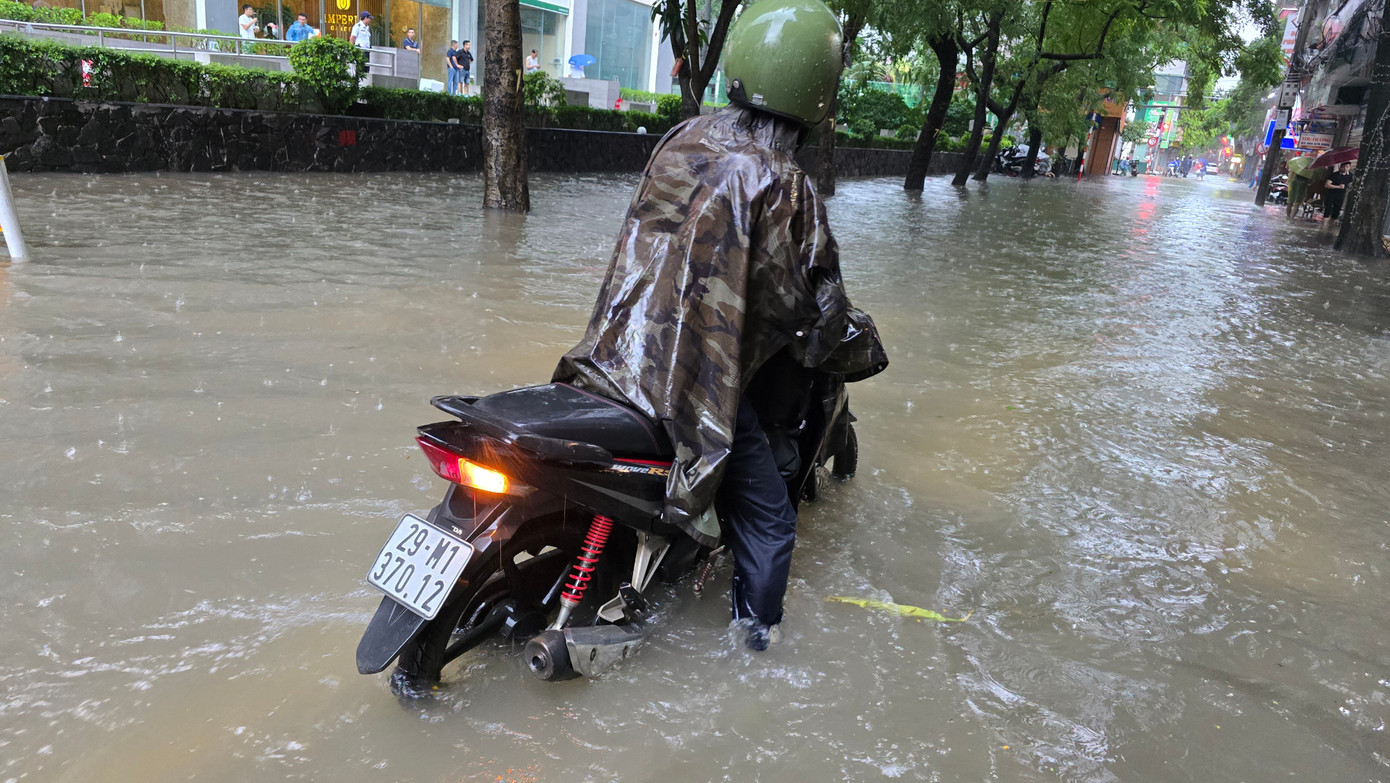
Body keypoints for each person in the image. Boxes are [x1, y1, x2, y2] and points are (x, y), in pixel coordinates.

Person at [552, 0, 887, 652]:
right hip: (691, 385)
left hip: (612, 353)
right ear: (819, 89)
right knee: (770, 520)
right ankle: (752, 650)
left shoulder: (682, 139)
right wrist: (861, 342)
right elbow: (813, 310)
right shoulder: (784, 185)